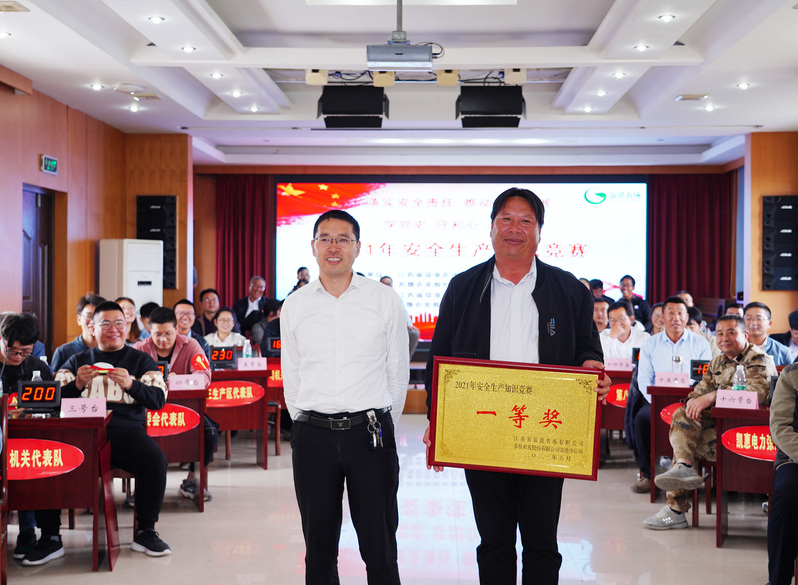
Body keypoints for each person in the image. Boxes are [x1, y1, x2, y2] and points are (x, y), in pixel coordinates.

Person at [423, 188, 609, 585]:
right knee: (493, 540)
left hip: (544, 430)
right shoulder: (463, 287)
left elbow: (588, 350)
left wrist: (592, 369)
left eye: (526, 221)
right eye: (505, 219)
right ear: (491, 227)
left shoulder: (569, 289)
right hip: (482, 427)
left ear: (540, 231)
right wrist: (436, 421)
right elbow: (439, 358)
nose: (515, 228)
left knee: (542, 542)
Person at [281, 209, 409, 585]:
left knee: (379, 542)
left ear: (358, 247)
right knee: (318, 544)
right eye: (325, 239)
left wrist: (381, 422)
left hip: (370, 433)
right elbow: (292, 375)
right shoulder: (296, 305)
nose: (333, 247)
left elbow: (397, 372)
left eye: (342, 239)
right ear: (313, 246)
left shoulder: (384, 299)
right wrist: (305, 422)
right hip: (313, 435)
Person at [30, 301, 171, 565]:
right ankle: (50, 537)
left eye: (118, 323)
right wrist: (76, 384)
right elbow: (51, 402)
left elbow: (157, 400)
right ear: (92, 328)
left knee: (155, 460)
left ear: (127, 326)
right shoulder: (77, 360)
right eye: (105, 323)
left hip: (125, 431)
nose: (113, 328)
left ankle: (146, 531)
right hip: (80, 432)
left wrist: (130, 384)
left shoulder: (141, 360)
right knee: (47, 459)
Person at [642, 314, 777, 529]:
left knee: (688, 446)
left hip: (745, 432)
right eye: (720, 333)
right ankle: (684, 467)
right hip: (718, 426)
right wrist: (694, 402)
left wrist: (713, 396)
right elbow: (698, 392)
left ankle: (676, 508)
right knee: (682, 414)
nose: (724, 338)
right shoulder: (717, 361)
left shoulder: (758, 359)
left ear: (745, 335)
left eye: (731, 332)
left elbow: (757, 394)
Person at [134, 307, 217, 502]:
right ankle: (141, 488)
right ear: (149, 330)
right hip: (148, 411)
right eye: (157, 334)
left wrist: (177, 381)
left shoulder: (191, 345)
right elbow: (129, 379)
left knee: (210, 433)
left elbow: (204, 376)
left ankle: (192, 480)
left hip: (185, 408)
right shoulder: (139, 348)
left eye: (168, 334)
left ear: (176, 328)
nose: (163, 339)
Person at [631, 296, 712, 494]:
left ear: (687, 316)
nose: (676, 318)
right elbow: (644, 379)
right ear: (662, 317)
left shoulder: (701, 344)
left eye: (680, 313)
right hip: (657, 400)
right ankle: (647, 474)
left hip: (690, 401)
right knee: (641, 420)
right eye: (671, 313)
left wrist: (693, 401)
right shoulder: (650, 344)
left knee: (701, 420)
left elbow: (704, 379)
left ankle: (690, 472)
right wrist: (655, 402)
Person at [0, 313, 54, 561]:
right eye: (13, 350)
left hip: (27, 439)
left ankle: (28, 530)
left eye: (25, 352)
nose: (18, 356)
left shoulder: (38, 368)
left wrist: (34, 411)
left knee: (30, 464)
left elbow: (52, 407)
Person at [768, 362, 798, 585]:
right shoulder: (792, 374)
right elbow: (780, 426)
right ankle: (778, 579)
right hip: (794, 455)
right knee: (787, 496)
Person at [51, 293, 106, 371]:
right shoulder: (63, 352)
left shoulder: (112, 350)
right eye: (89, 316)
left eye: (99, 316)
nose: (93, 321)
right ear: (79, 320)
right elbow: (55, 378)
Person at [380, 275, 421, 358]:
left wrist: (409, 324)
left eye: (388, 284)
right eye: (384, 284)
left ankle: (406, 359)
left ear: (392, 286)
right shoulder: (374, 296)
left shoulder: (396, 296)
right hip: (381, 327)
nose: (386, 286)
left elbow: (403, 311)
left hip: (395, 327)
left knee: (414, 333)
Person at [743, 302, 792, 366]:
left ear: (769, 323)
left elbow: (791, 372)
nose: (753, 323)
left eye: (758, 319)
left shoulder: (783, 352)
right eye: (749, 319)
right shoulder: (733, 349)